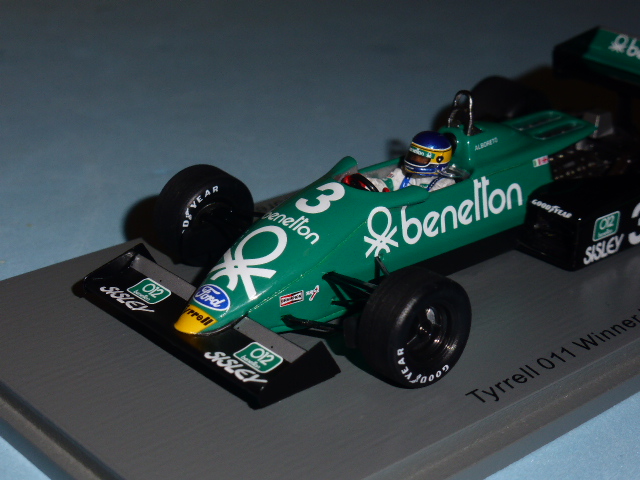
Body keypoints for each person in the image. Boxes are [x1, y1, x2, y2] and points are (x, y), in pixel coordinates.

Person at [370, 131, 457, 192]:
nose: (416, 160)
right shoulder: (403, 174)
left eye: (422, 158)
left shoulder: (445, 184)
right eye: (413, 156)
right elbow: (384, 183)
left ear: (439, 160)